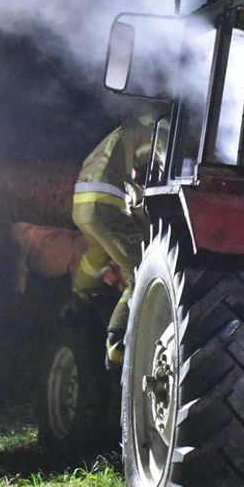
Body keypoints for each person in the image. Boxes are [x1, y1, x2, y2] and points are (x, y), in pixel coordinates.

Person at [70, 113, 156, 359]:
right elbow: (161, 163)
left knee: (97, 255)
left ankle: (81, 292)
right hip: (106, 206)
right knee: (141, 272)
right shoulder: (156, 132)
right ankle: (117, 342)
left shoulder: (119, 135)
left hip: (83, 206)